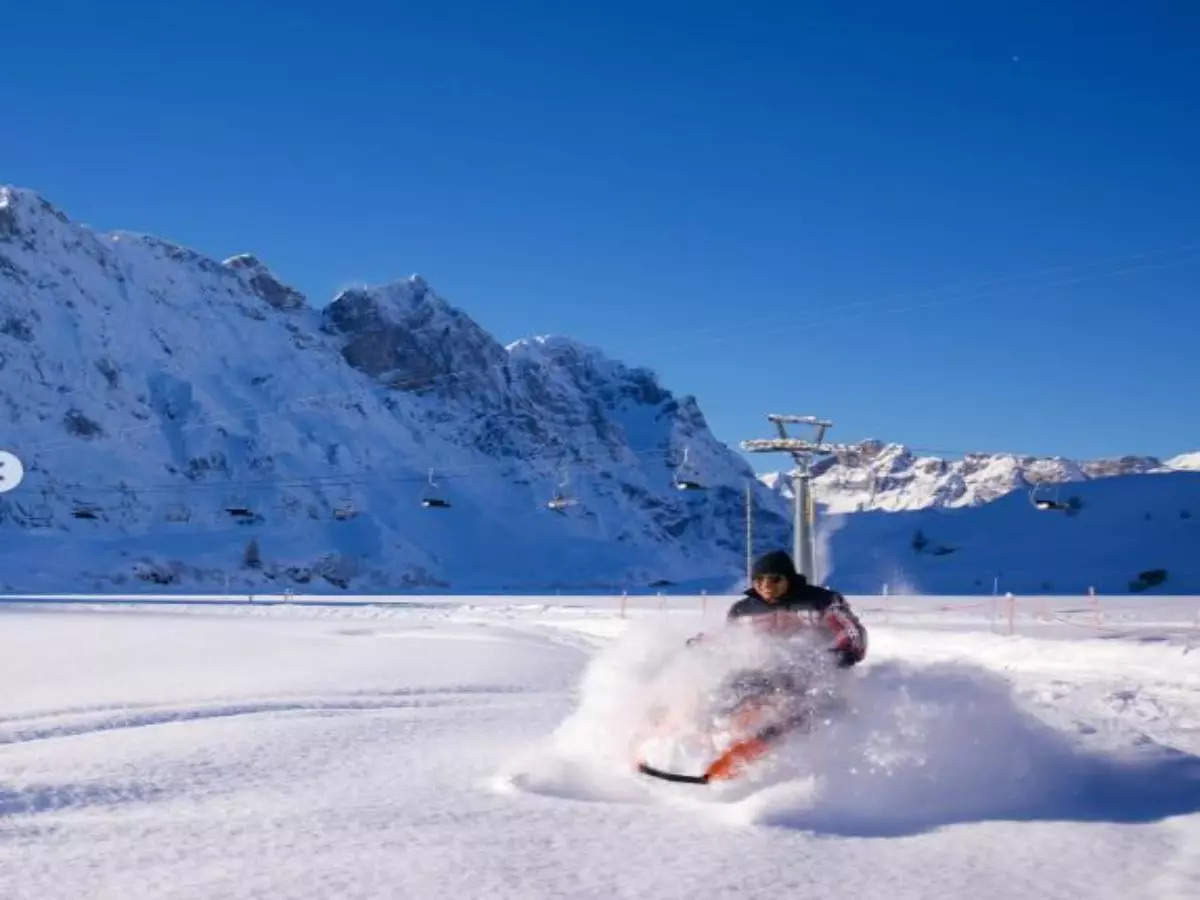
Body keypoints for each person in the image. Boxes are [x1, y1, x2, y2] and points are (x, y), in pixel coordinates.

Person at [724, 549, 867, 667]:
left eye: (774, 579)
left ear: (789, 578)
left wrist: (843, 652)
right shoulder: (741, 610)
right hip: (759, 672)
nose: (766, 585)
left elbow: (852, 631)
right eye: (759, 580)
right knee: (730, 689)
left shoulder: (821, 601)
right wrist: (706, 648)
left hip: (814, 673)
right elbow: (727, 641)